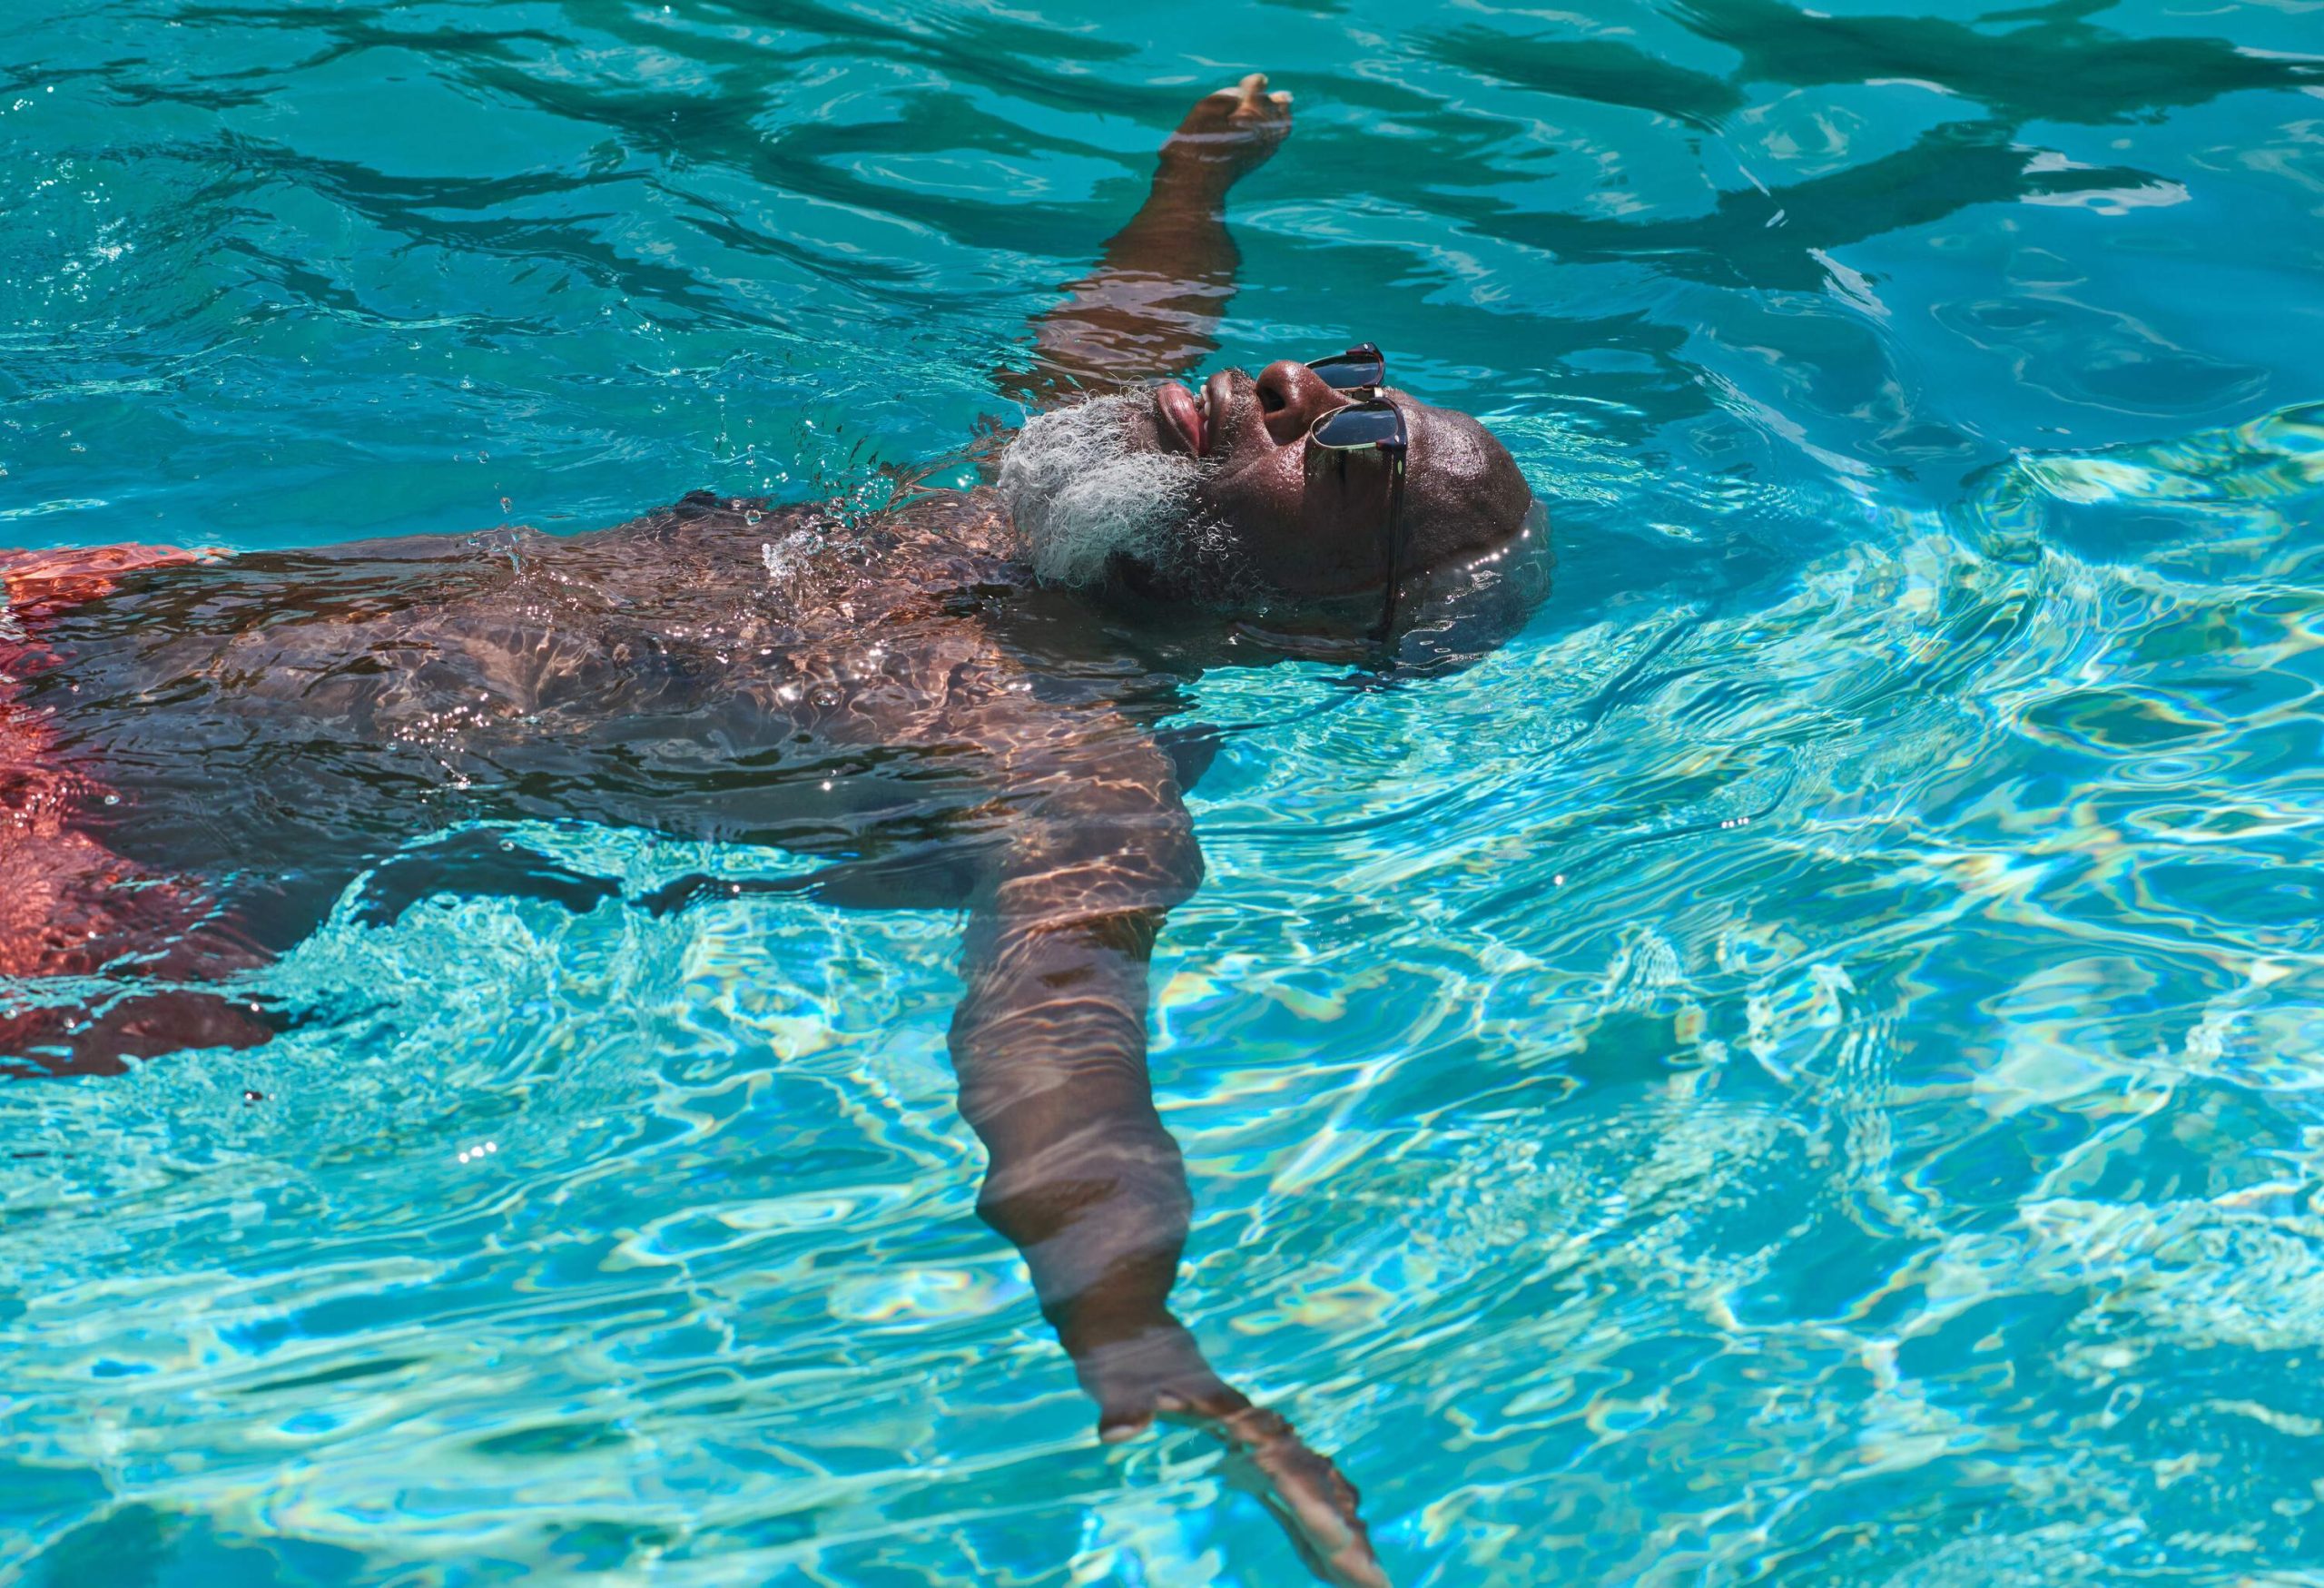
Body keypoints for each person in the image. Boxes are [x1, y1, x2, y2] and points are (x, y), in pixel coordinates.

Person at [0, 74, 1540, 1588]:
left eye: (1358, 450)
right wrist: (1197, 185)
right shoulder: (1007, 527)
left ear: (1327, 625)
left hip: (99, 845)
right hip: (98, 607)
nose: (1303, 389)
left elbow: (1065, 1048)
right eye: (1349, 374)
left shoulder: (1073, 766)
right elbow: (1122, 342)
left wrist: (1133, 1331)